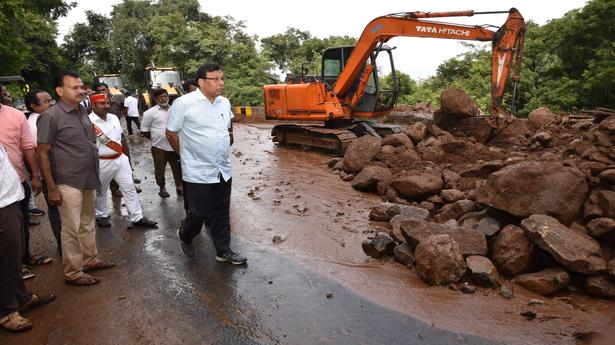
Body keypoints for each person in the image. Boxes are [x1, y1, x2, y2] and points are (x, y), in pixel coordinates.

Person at [37, 71, 115, 286]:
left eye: (82, 87)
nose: (81, 91)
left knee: (87, 222)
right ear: (60, 91)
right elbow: (42, 152)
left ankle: (90, 260)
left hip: (88, 177)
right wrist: (50, 187)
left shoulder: (82, 111)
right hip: (66, 181)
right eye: (75, 87)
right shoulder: (50, 116)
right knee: (70, 228)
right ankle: (73, 272)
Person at [166, 63, 246, 264]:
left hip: (222, 169)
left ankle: (223, 250)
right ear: (202, 82)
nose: (221, 83)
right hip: (197, 170)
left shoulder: (224, 103)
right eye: (216, 79)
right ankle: (185, 234)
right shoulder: (184, 103)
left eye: (222, 78)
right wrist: (184, 155)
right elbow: (171, 132)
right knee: (198, 213)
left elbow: (226, 128)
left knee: (221, 212)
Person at [0, 145, 55, 333]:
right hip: (2, 206)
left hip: (10, 201)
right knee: (5, 260)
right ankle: (6, 312)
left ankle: (21, 297)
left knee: (14, 256)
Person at [0, 84, 52, 277]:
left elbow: (28, 147)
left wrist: (35, 176)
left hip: (18, 181)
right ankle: (13, 270)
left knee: (20, 224)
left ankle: (24, 257)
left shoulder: (15, 115)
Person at [88, 92, 158, 229]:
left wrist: (127, 157)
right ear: (93, 105)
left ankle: (137, 217)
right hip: (101, 161)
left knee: (129, 188)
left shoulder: (114, 117)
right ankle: (102, 215)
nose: (106, 106)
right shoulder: (87, 121)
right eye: (102, 103)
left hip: (120, 159)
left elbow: (121, 137)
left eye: (107, 103)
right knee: (101, 190)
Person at [24, 89, 62, 253]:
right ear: (34, 106)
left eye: (51, 100)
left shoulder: (48, 118)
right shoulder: (34, 125)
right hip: (50, 174)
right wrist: (39, 177)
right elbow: (38, 154)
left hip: (59, 171)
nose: (51, 104)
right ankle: (63, 245)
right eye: (46, 102)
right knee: (56, 208)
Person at [141, 89, 182, 198]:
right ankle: (162, 188)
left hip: (175, 145)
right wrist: (156, 139)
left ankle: (179, 186)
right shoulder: (149, 113)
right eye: (160, 97)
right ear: (155, 99)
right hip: (159, 147)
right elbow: (144, 130)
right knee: (160, 169)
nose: (164, 98)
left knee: (178, 168)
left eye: (165, 96)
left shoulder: (175, 110)